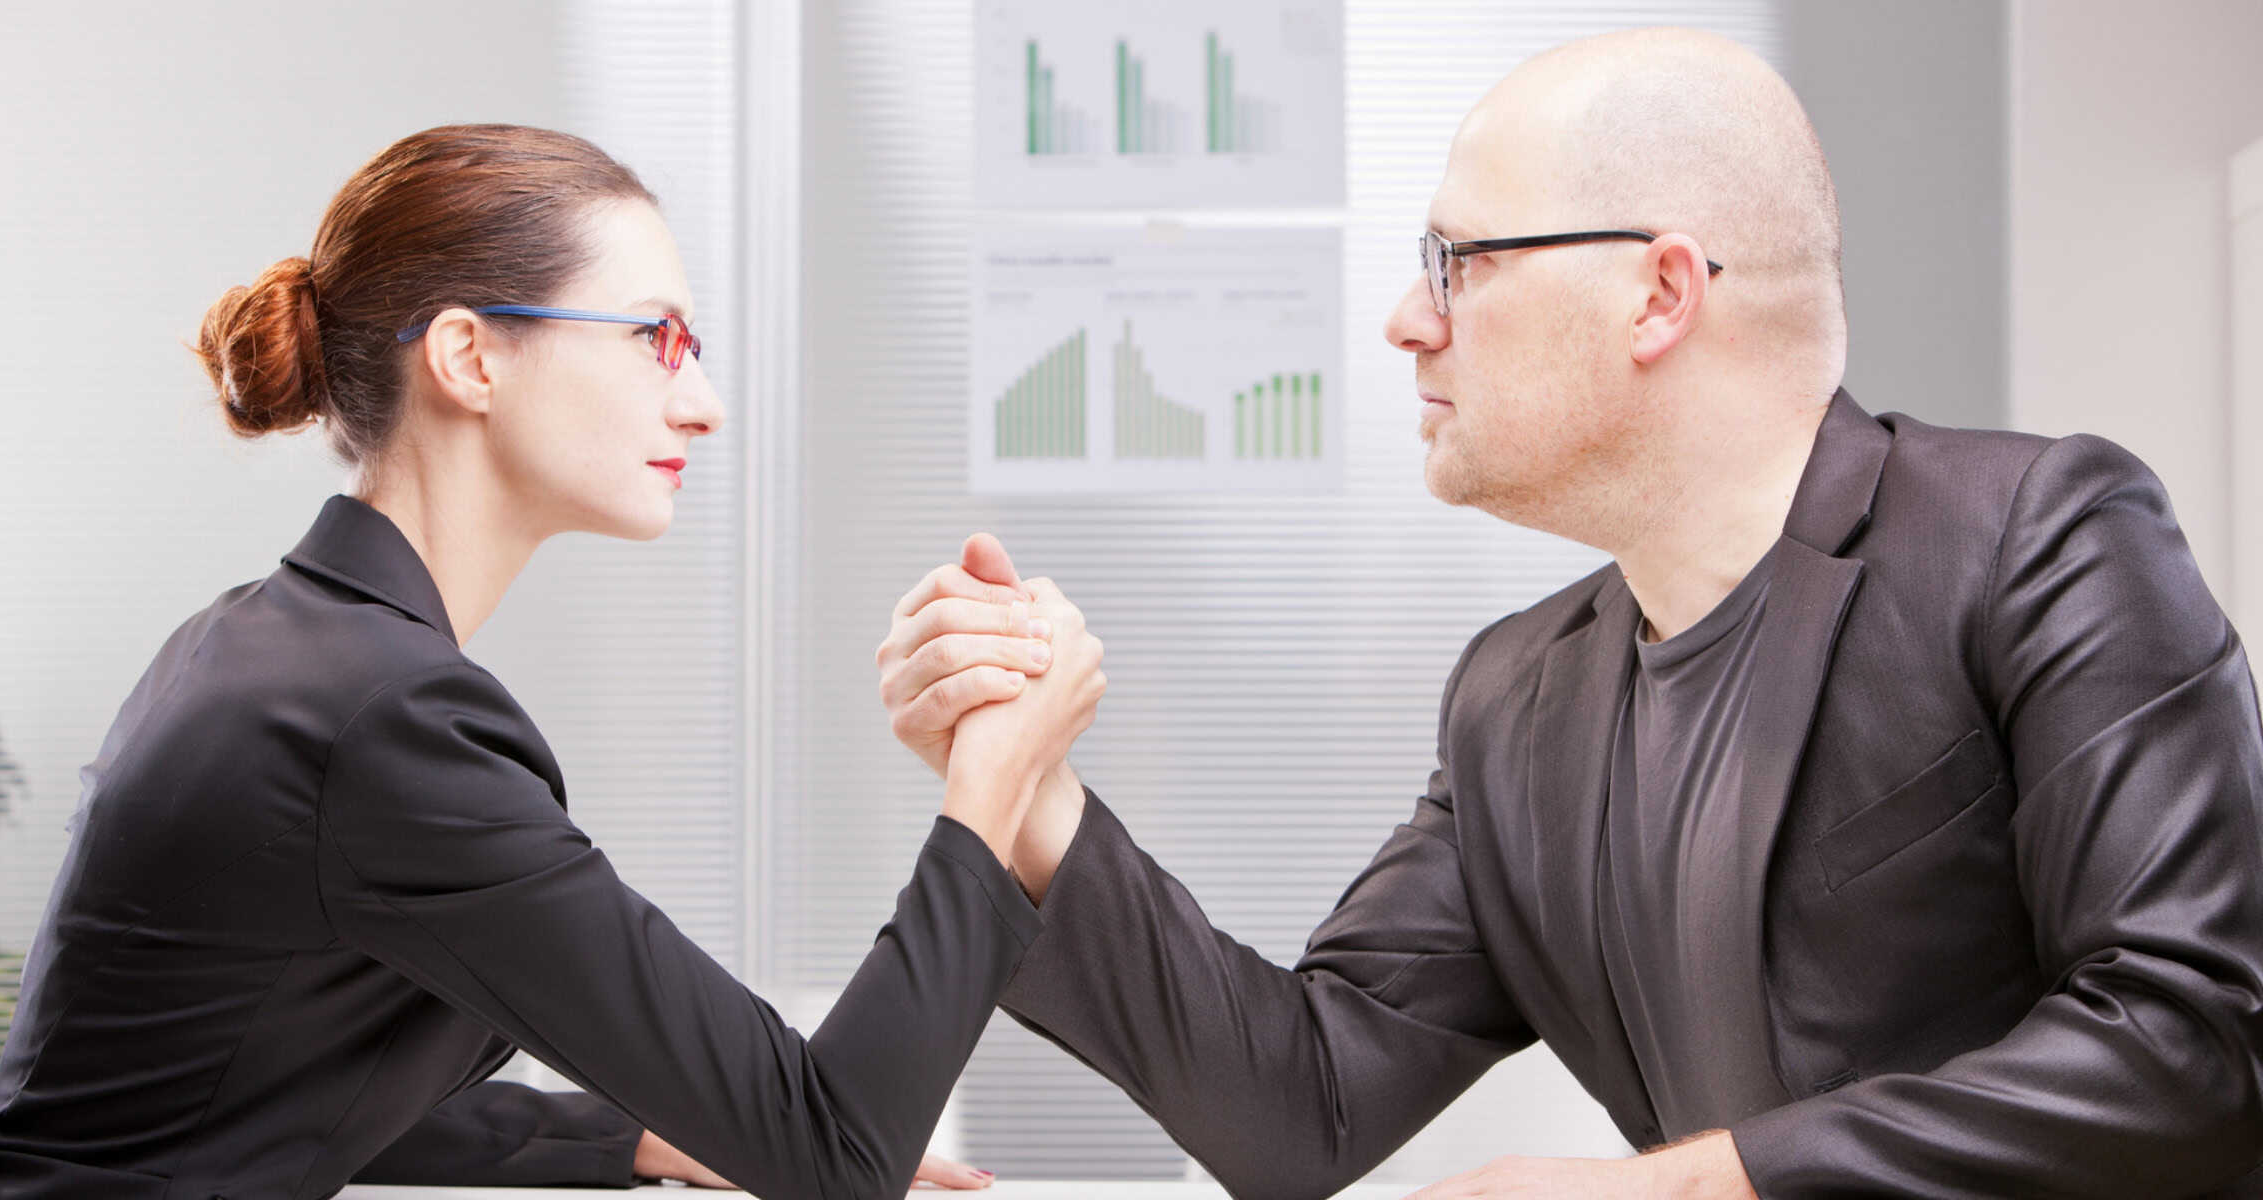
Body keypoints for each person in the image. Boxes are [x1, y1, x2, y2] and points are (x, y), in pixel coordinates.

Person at [878, 27, 2263, 1200]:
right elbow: (1298, 1100)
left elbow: (2193, 1044)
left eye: (1457, 261)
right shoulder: (1514, 701)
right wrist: (1033, 796)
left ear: (1660, 292)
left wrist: (1685, 1182)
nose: (1407, 324)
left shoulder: (2039, 539)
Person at [0, 124, 1100, 1200]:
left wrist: (637, 1138)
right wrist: (992, 785)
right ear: (470, 359)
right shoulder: (382, 720)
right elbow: (833, 1154)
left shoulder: (267, 647)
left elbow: (274, 1097)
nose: (706, 404)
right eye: (656, 339)